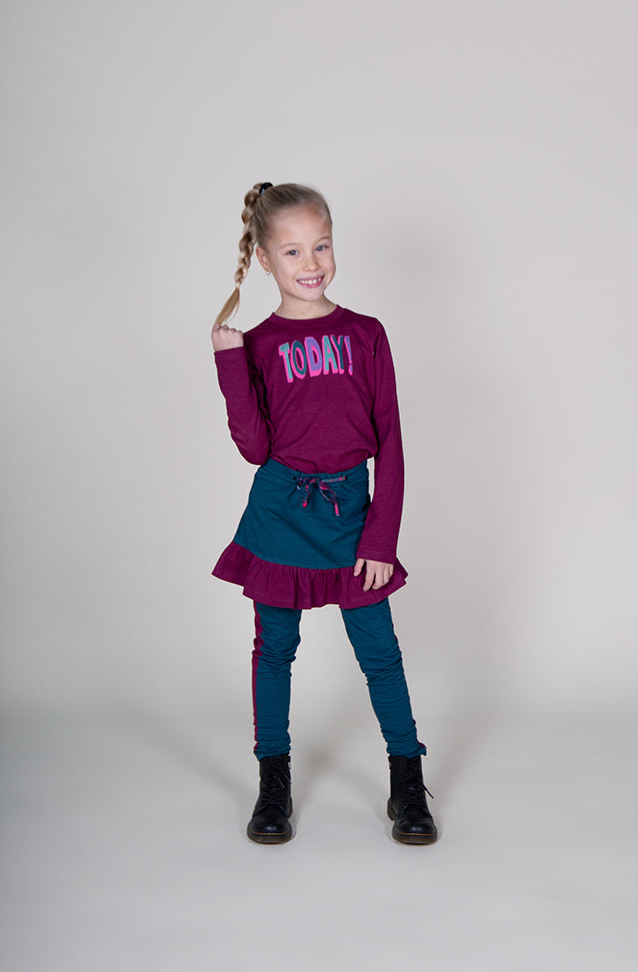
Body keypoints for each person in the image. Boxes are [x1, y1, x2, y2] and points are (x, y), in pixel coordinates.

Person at [211, 181, 437, 846]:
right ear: (263, 259)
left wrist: (380, 539)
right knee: (274, 650)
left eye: (321, 246)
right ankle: (272, 784)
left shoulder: (366, 334)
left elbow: (391, 441)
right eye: (292, 251)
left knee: (380, 653)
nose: (310, 263)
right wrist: (229, 364)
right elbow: (256, 448)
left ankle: (407, 781)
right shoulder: (258, 344)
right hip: (280, 511)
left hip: (351, 516)